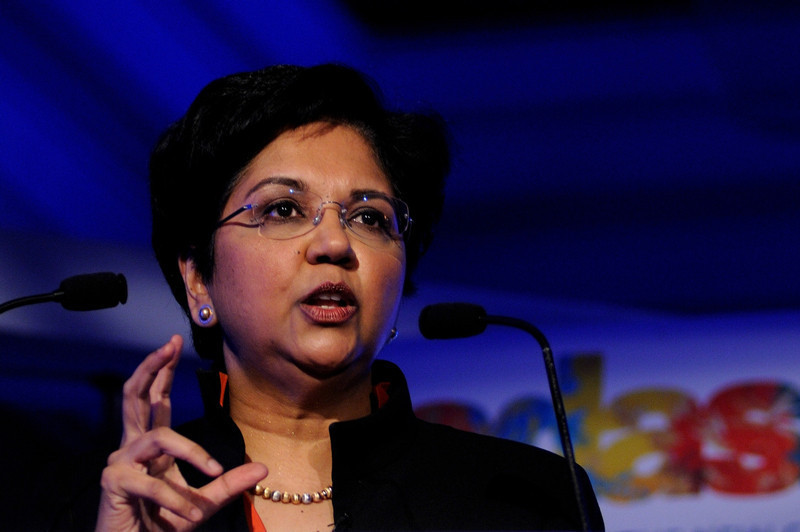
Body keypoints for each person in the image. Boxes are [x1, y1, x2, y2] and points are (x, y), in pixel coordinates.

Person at [94, 63, 604, 531]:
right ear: (198, 279)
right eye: (283, 210)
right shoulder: (100, 504)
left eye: (369, 218)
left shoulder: (523, 499)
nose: (335, 244)